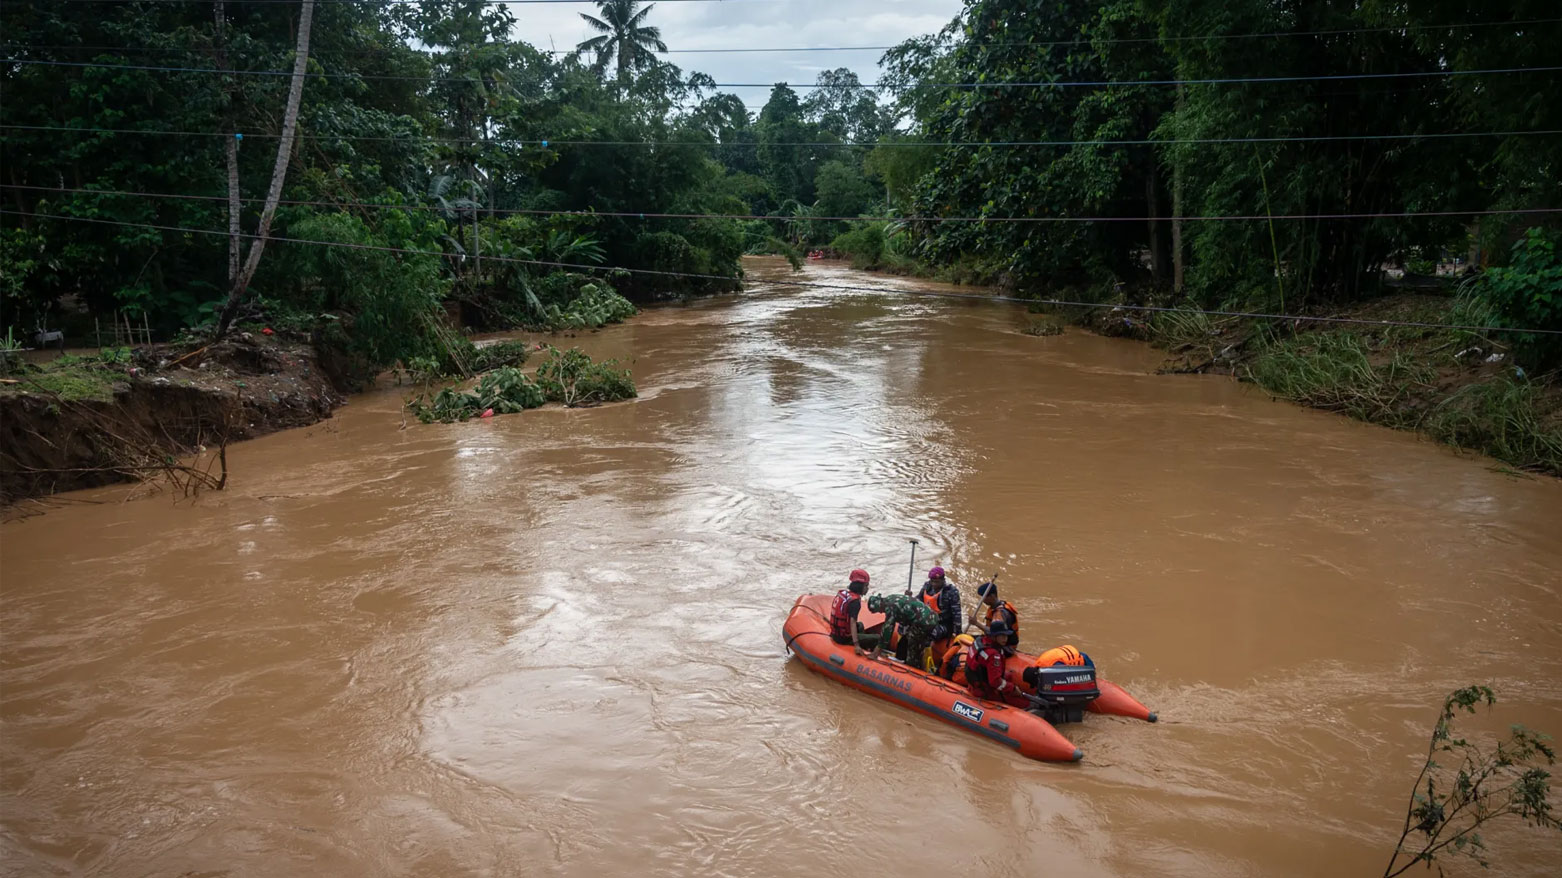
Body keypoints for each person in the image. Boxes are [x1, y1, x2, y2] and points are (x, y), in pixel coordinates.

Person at [963, 619, 1030, 708]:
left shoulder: (981, 641)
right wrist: (1013, 688)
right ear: (994, 636)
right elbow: (995, 682)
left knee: (1008, 676)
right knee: (1025, 703)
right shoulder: (993, 655)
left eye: (1006, 635)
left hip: (977, 681)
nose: (1005, 639)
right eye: (1002, 635)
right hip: (984, 691)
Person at [866, 592, 938, 669]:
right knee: (908, 641)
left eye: (879, 611)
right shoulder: (890, 597)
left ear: (879, 605)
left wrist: (877, 651)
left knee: (912, 646)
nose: (881, 612)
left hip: (923, 622)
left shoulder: (890, 607)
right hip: (930, 617)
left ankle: (912, 668)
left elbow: (887, 630)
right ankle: (917, 663)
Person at [919, 566, 962, 664]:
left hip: (944, 625)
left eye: (937, 582)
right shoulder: (927, 586)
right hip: (928, 620)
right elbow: (918, 601)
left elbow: (957, 614)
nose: (934, 584)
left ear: (943, 580)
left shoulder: (951, 592)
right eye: (932, 581)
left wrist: (958, 634)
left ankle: (926, 663)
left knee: (927, 635)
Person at [828, 569, 877, 654]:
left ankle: (864, 645)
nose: (867, 589)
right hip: (844, 638)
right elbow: (852, 622)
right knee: (877, 638)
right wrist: (856, 645)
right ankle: (866, 649)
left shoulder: (843, 594)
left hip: (836, 633)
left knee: (860, 625)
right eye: (866, 586)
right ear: (860, 586)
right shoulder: (855, 602)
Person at [974, 581, 1020, 647]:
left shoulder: (1000, 613)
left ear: (992, 596)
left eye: (984, 597)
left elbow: (993, 632)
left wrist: (976, 623)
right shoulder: (994, 607)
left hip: (1005, 646)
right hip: (996, 640)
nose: (983, 600)